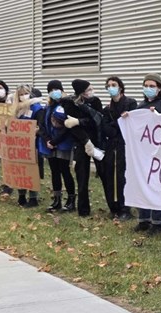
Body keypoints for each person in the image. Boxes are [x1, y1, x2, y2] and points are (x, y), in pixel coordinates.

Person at [132, 73, 161, 235]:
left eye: (152, 86)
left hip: (160, 153)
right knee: (143, 185)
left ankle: (158, 223)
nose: (148, 89)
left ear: (159, 88)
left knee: (157, 187)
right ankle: (143, 220)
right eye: (146, 85)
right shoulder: (141, 105)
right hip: (143, 154)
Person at [61, 79, 105, 217]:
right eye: (88, 89)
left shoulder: (95, 102)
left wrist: (80, 121)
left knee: (105, 173)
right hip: (81, 143)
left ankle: (114, 206)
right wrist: (85, 141)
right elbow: (72, 127)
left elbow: (97, 120)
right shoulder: (70, 103)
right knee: (82, 176)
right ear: (81, 92)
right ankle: (83, 209)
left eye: (92, 88)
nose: (91, 91)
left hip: (97, 141)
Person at [101, 76, 137, 220]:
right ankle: (113, 206)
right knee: (110, 175)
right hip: (112, 145)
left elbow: (130, 125)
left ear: (120, 87)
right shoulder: (107, 108)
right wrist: (120, 121)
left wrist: (116, 124)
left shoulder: (130, 103)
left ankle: (125, 208)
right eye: (108, 85)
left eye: (114, 84)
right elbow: (107, 129)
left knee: (123, 176)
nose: (111, 87)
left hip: (126, 145)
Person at [37, 80, 76, 212]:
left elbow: (68, 127)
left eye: (56, 89)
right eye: (51, 90)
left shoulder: (68, 104)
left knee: (65, 170)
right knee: (54, 171)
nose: (54, 92)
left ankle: (71, 200)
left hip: (63, 143)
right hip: (49, 144)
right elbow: (42, 125)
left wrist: (55, 142)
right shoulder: (48, 107)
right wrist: (48, 140)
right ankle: (57, 199)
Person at [13, 84, 44, 207]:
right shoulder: (17, 109)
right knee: (21, 171)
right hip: (19, 146)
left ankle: (33, 198)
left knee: (32, 170)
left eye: (25, 93)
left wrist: (33, 131)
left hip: (33, 145)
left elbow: (41, 126)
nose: (22, 96)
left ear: (30, 93)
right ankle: (21, 196)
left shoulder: (37, 108)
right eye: (20, 94)